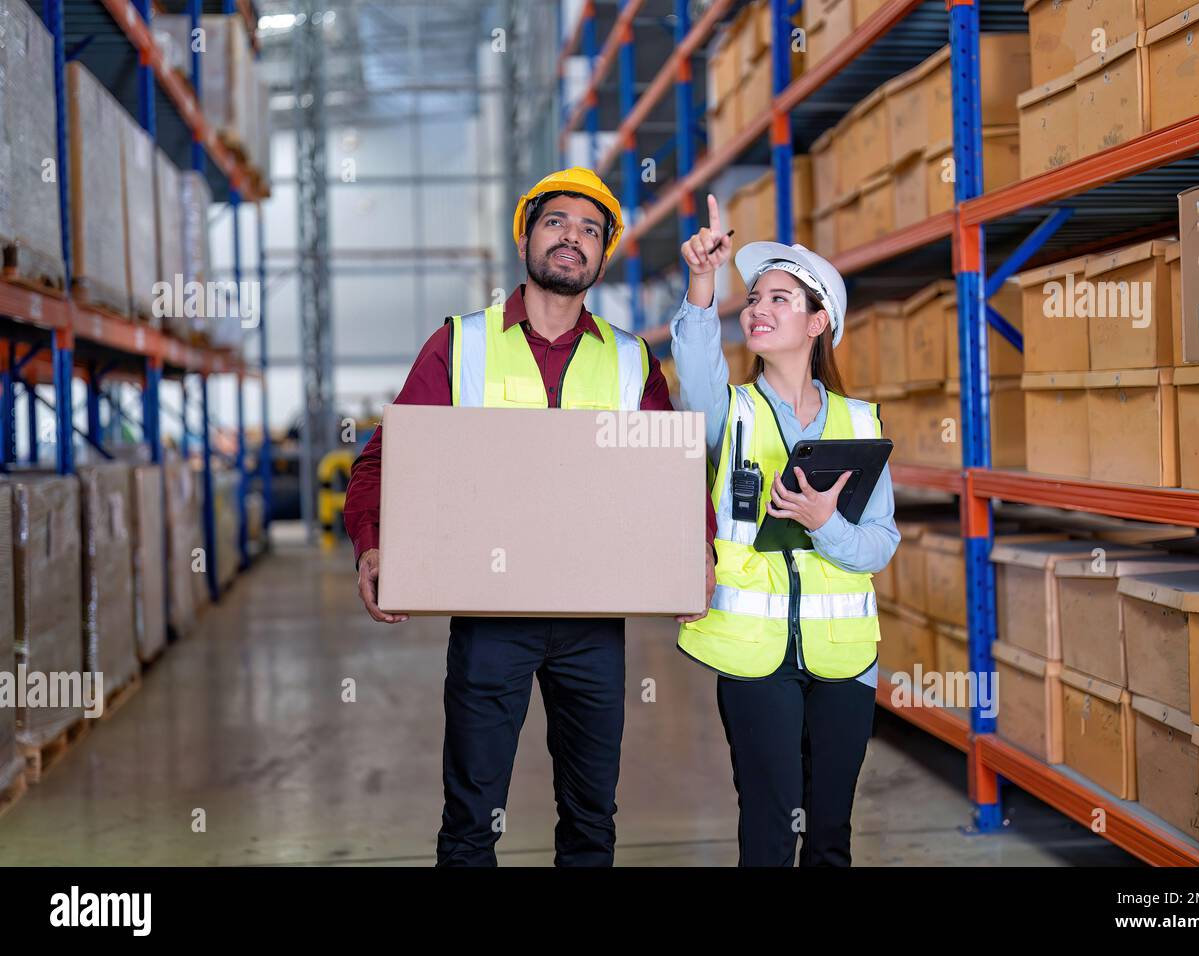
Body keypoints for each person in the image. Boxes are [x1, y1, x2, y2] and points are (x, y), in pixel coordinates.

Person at [343, 168, 718, 867]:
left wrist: (694, 546)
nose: (572, 238)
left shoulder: (633, 360)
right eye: (557, 223)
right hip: (490, 618)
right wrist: (373, 544)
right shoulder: (461, 344)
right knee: (470, 818)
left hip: (593, 621)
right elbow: (382, 461)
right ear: (526, 236)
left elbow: (670, 473)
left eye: (590, 229)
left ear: (603, 255)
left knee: (589, 816)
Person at [670, 194, 899, 867]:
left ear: (818, 322)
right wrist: (703, 282)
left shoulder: (860, 422)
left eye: (780, 299)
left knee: (830, 834)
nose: (758, 309)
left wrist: (826, 525)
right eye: (754, 299)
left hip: (845, 659)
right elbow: (698, 362)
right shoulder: (730, 412)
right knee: (768, 832)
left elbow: (880, 544)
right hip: (752, 655)